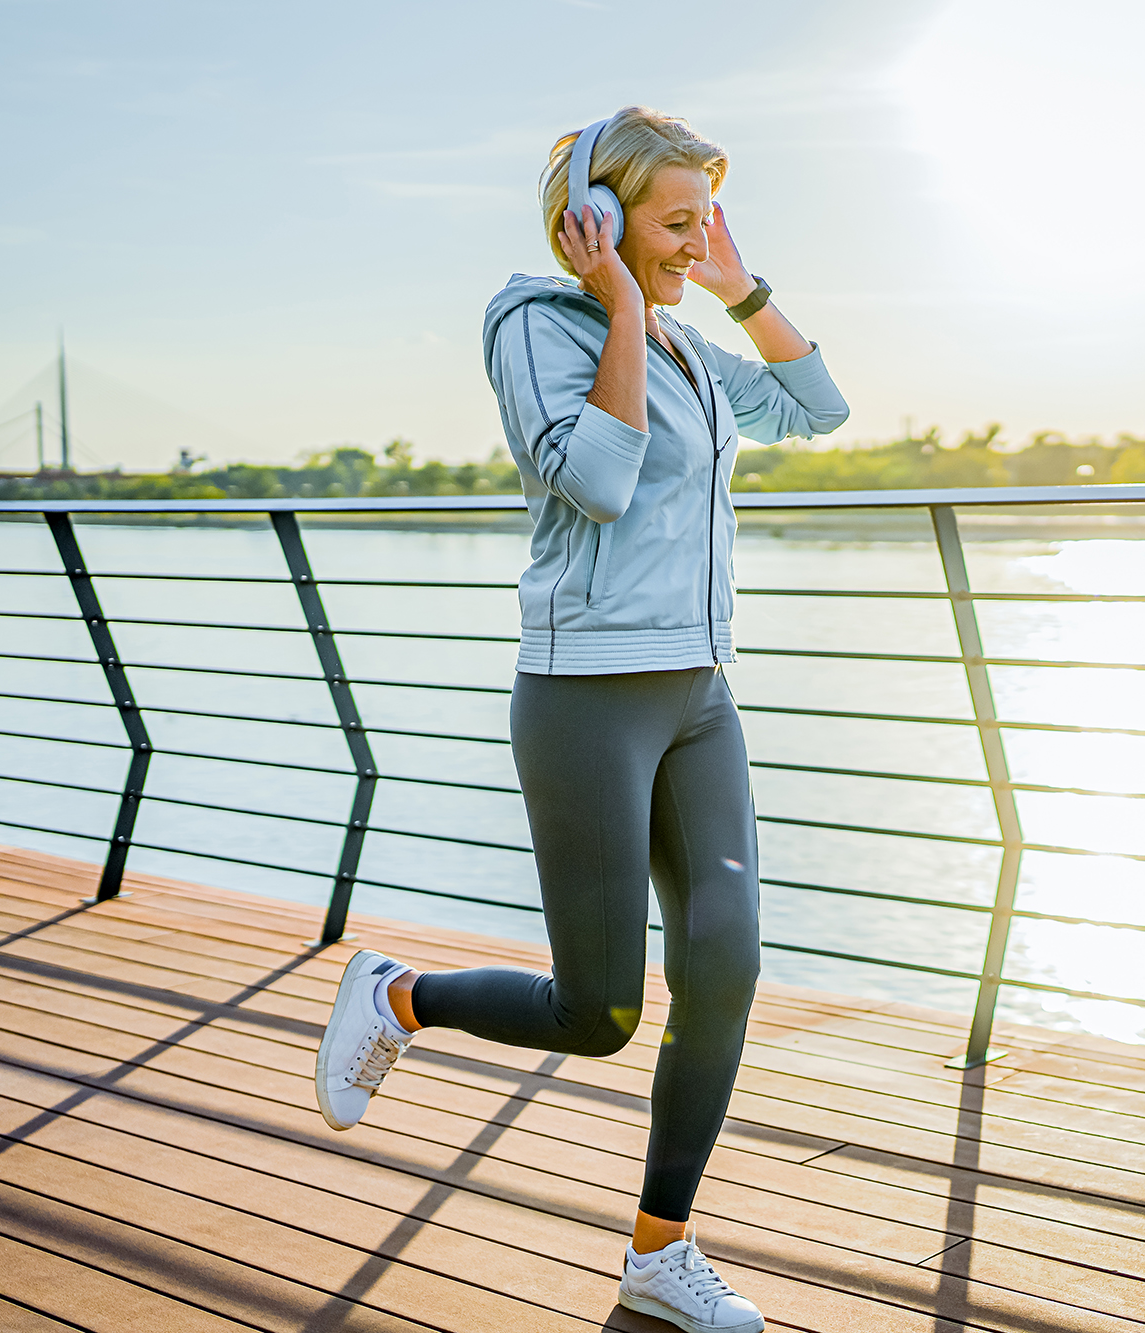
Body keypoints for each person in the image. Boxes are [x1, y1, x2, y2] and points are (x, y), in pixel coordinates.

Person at [314, 106, 848, 1333]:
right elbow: (598, 482)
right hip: (585, 700)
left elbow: (815, 407)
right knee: (598, 1013)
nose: (693, 238)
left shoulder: (690, 350)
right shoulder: (533, 324)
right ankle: (398, 996)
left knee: (724, 966)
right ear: (594, 219)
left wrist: (734, 283)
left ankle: (661, 1251)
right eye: (675, 219)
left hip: (698, 696)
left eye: (705, 214)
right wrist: (618, 301)